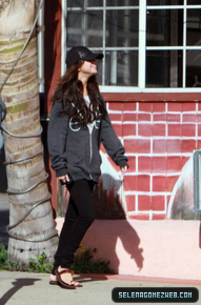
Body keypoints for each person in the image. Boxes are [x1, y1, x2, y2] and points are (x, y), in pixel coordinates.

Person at [47, 46, 128, 289]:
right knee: (87, 213)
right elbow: (55, 134)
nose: (95, 63)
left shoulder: (96, 98)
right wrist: (60, 167)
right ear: (78, 64)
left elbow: (106, 130)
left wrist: (118, 156)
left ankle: (55, 269)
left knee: (73, 217)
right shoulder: (64, 97)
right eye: (90, 60)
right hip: (72, 167)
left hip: (92, 168)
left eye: (95, 60)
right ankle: (65, 266)